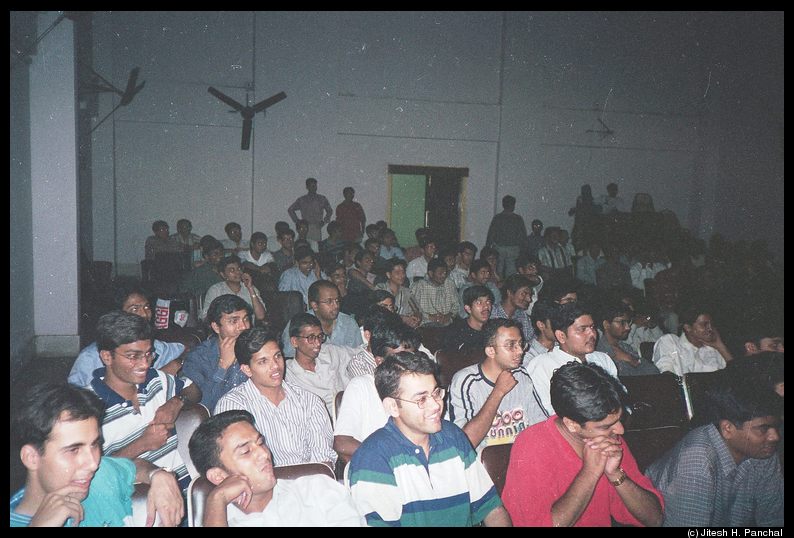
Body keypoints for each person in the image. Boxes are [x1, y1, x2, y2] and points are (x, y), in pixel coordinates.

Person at [348, 352, 512, 527]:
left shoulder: (453, 437)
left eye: (436, 393)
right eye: (421, 399)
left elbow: (491, 508)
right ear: (393, 406)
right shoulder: (372, 458)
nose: (436, 405)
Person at [502, 362, 664, 527]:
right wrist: (590, 473)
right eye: (606, 426)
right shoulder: (532, 446)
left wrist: (616, 475)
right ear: (572, 425)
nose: (620, 430)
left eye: (619, 420)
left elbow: (654, 519)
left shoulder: (609, 439)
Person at [10, 382, 184, 527]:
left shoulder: (97, 478)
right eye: (74, 450)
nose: (93, 464)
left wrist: (158, 475)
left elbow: (133, 466)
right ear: (31, 457)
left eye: (94, 445)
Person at [645, 367, 783, 527]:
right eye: (763, 429)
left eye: (776, 426)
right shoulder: (696, 461)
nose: (775, 437)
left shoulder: (763, 451)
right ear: (727, 429)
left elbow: (774, 521)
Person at [87, 311, 201, 494]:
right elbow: (93, 470)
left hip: (184, 492)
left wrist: (176, 403)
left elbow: (194, 390)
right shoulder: (87, 406)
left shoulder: (155, 379)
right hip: (131, 501)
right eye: (133, 356)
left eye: (148, 354)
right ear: (107, 356)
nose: (145, 364)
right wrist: (142, 444)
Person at [188, 410, 364, 527]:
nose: (264, 454)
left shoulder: (316, 490)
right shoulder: (222, 520)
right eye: (246, 451)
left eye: (260, 443)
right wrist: (217, 498)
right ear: (218, 476)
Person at [213, 328, 337, 467]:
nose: (275, 366)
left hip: (311, 479)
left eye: (277, 356)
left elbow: (323, 460)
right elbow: (234, 466)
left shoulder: (309, 402)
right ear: (247, 369)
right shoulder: (232, 406)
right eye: (263, 361)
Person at [447, 318, 548, 452]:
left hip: (523, 456)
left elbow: (540, 425)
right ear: (491, 351)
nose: (520, 351)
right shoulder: (466, 381)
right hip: (484, 462)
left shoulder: (521, 375)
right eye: (511, 345)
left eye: (520, 344)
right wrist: (498, 392)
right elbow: (466, 443)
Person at [68, 284, 185, 387]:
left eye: (146, 307)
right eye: (135, 309)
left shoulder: (157, 347)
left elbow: (184, 350)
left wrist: (177, 363)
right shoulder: (91, 357)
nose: (144, 314)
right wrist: (157, 377)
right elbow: (73, 397)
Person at [526, 302, 619, 416]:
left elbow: (619, 400)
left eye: (592, 327)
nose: (592, 334)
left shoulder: (603, 359)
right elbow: (546, 412)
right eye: (582, 329)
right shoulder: (542, 365)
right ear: (561, 336)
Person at [181, 295, 253, 411]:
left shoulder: (256, 349)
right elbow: (203, 407)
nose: (243, 327)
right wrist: (222, 367)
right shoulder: (199, 358)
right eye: (234, 321)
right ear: (216, 327)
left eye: (246, 319)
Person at [284, 313, 355, 417]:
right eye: (311, 338)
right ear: (295, 342)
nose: (318, 343)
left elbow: (360, 353)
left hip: (354, 412)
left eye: (320, 336)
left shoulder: (329, 352)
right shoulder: (288, 375)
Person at [280, 280, 364, 358]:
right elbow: (289, 357)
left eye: (337, 300)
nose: (336, 306)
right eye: (329, 302)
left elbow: (359, 354)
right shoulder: (298, 324)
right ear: (315, 305)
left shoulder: (349, 323)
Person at [652, 303, 733, 376]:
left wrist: (720, 346)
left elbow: (734, 375)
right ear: (688, 327)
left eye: (711, 324)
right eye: (704, 325)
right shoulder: (671, 342)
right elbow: (666, 375)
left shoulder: (714, 349)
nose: (710, 328)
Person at [596, 300, 660, 376]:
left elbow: (655, 372)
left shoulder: (625, 347)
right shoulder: (599, 352)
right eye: (622, 322)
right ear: (606, 324)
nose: (628, 327)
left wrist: (631, 359)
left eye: (628, 322)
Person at [201, 255, 266, 323]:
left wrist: (250, 288)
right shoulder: (216, 290)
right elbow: (206, 317)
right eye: (232, 270)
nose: (237, 272)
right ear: (223, 275)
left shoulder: (251, 288)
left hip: (246, 328)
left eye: (239, 269)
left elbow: (261, 316)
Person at [485, 195, 528, 279]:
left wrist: (487, 247)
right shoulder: (517, 218)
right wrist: (523, 250)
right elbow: (522, 236)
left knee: (498, 271)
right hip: (512, 249)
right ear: (513, 205)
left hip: (500, 248)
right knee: (511, 272)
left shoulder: (498, 218)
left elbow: (491, 234)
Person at [410, 257, 460, 327]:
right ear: (430, 273)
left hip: (447, 324)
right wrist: (429, 316)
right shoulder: (419, 286)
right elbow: (412, 308)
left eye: (445, 273)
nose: (443, 276)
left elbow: (456, 305)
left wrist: (448, 315)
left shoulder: (449, 283)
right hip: (426, 325)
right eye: (440, 273)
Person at [442, 285, 493, 352]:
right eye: (479, 303)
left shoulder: (494, 328)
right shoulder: (456, 332)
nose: (486, 306)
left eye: (488, 302)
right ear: (468, 309)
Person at [375, 257, 422, 328]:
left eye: (403, 272)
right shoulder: (380, 288)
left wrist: (416, 318)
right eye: (397, 273)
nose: (401, 275)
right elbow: (380, 312)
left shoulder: (407, 292)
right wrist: (402, 318)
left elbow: (417, 310)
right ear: (388, 275)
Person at [490, 273, 535, 342]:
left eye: (530, 295)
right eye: (524, 294)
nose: (529, 299)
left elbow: (531, 340)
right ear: (510, 293)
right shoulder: (491, 313)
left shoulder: (523, 316)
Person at [288, 177, 333, 243]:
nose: (314, 188)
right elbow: (290, 209)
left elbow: (330, 211)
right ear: (307, 187)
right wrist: (297, 221)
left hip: (316, 227)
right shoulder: (302, 200)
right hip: (304, 228)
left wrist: (324, 221)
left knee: (315, 246)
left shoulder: (322, 199)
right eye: (311, 186)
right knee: (302, 245)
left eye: (315, 186)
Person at [522, 299, 558, 366]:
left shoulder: (563, 346)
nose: (560, 326)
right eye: (555, 323)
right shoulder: (527, 355)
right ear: (541, 325)